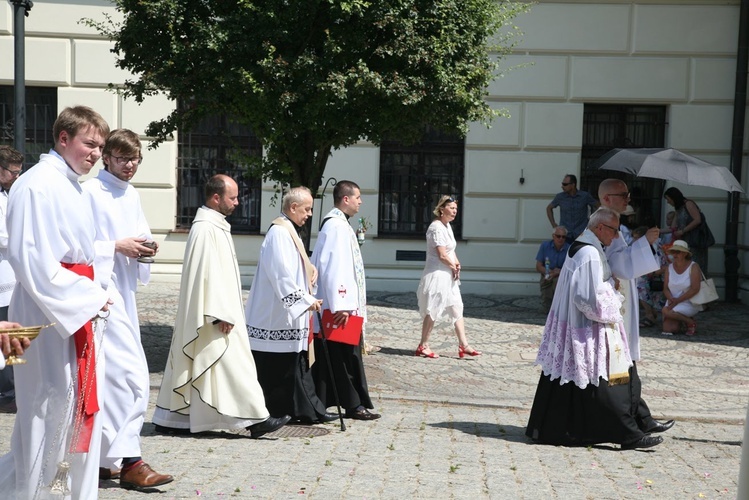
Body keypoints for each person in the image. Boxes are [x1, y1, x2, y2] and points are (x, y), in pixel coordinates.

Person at [0, 106, 115, 499]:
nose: (96, 153)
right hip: (43, 314)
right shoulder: (35, 185)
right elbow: (30, 259)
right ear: (63, 138)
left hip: (71, 308)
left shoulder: (71, 184)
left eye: (100, 146)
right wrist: (86, 295)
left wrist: (96, 288)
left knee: (70, 406)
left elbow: (82, 251)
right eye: (90, 143)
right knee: (44, 407)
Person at [153, 175, 290, 437]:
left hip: (220, 310)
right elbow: (207, 274)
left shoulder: (215, 224)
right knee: (235, 363)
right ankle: (256, 419)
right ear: (216, 198)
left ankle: (174, 419)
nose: (238, 202)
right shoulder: (205, 228)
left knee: (213, 366)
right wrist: (220, 314)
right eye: (233, 197)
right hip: (216, 314)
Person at [526, 208, 662, 450]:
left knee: (580, 381)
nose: (617, 236)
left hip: (578, 325)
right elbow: (586, 298)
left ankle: (562, 429)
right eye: (614, 230)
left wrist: (609, 282)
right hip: (588, 328)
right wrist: (614, 296)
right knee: (604, 383)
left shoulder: (587, 245)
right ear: (600, 228)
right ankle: (628, 434)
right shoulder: (588, 252)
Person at [82, 129, 172, 490]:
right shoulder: (89, 193)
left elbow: (139, 234)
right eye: (123, 159)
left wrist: (146, 248)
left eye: (135, 159)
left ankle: (105, 461)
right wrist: (115, 247)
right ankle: (131, 459)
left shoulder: (130, 193)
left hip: (124, 293)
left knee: (113, 378)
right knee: (130, 376)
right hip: (100, 294)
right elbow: (76, 245)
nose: (130, 166)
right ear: (106, 157)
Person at [245, 187, 337, 424]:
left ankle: (308, 410)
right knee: (281, 368)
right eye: (306, 209)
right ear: (293, 207)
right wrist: (305, 301)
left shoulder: (289, 231)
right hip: (274, 316)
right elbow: (281, 275)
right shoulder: (279, 233)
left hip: (287, 315)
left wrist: (310, 269)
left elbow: (295, 267)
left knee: (295, 364)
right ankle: (295, 411)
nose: (309, 215)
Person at [599, 178, 675, 435]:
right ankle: (636, 420)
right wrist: (645, 243)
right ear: (607, 198)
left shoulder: (616, 226)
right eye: (623, 194)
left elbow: (624, 262)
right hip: (611, 308)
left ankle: (641, 417)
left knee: (626, 365)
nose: (628, 199)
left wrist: (644, 242)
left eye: (629, 194)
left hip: (623, 303)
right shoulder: (602, 225)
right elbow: (621, 264)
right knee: (620, 368)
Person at [310, 180, 380, 420]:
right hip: (340, 309)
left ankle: (344, 402)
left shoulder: (339, 224)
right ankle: (353, 404)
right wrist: (343, 305)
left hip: (343, 306)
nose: (361, 201)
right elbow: (334, 266)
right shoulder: (337, 227)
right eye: (358, 197)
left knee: (342, 356)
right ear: (346, 199)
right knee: (344, 357)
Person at [414, 195, 481, 359]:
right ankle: (423, 344)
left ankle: (463, 345)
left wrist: (457, 264)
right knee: (433, 310)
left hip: (448, 275)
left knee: (457, 307)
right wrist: (452, 266)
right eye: (451, 208)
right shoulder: (436, 228)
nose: (454, 211)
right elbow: (442, 255)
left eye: (456, 209)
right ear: (441, 209)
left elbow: (451, 251)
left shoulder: (447, 226)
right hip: (437, 274)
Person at [0, 146, 23, 413]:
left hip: (11, 272)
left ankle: (13, 388)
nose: (16, 177)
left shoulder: (11, 192)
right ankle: (6, 393)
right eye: (12, 172)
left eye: (19, 172)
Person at [664, 187, 711, 272]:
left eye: (668, 199)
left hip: (695, 242)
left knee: (695, 267)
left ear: (673, 197)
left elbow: (697, 220)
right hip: (685, 244)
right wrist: (658, 231)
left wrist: (683, 231)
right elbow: (673, 228)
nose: (668, 202)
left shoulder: (688, 204)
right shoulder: (678, 209)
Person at [661, 240, 702, 336]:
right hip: (672, 300)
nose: (675, 255)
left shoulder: (694, 266)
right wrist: (671, 299)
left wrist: (677, 301)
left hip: (689, 301)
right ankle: (684, 321)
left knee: (666, 311)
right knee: (668, 329)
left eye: (678, 252)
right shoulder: (669, 268)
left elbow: (695, 288)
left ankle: (689, 322)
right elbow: (665, 288)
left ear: (684, 254)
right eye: (673, 252)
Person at [546, 174, 598, 242]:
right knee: (565, 252)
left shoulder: (584, 196)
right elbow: (549, 208)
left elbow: (598, 205)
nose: (562, 186)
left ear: (573, 185)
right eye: (562, 184)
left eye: (565, 184)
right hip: (565, 235)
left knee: (582, 252)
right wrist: (554, 225)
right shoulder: (560, 197)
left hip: (581, 234)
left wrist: (593, 222)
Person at [631, 226, 665, 329]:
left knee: (640, 284)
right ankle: (650, 313)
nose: (634, 240)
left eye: (637, 238)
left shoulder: (655, 247)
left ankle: (650, 314)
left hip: (660, 275)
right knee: (639, 281)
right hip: (651, 275)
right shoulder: (642, 248)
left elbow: (661, 266)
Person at [535, 226, 570, 313]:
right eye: (558, 236)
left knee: (557, 281)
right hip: (548, 272)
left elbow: (570, 269)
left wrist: (557, 273)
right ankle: (546, 305)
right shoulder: (545, 246)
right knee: (546, 279)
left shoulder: (569, 249)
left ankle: (558, 308)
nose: (561, 239)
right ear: (553, 236)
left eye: (563, 237)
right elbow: (538, 266)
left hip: (561, 275)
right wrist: (550, 272)